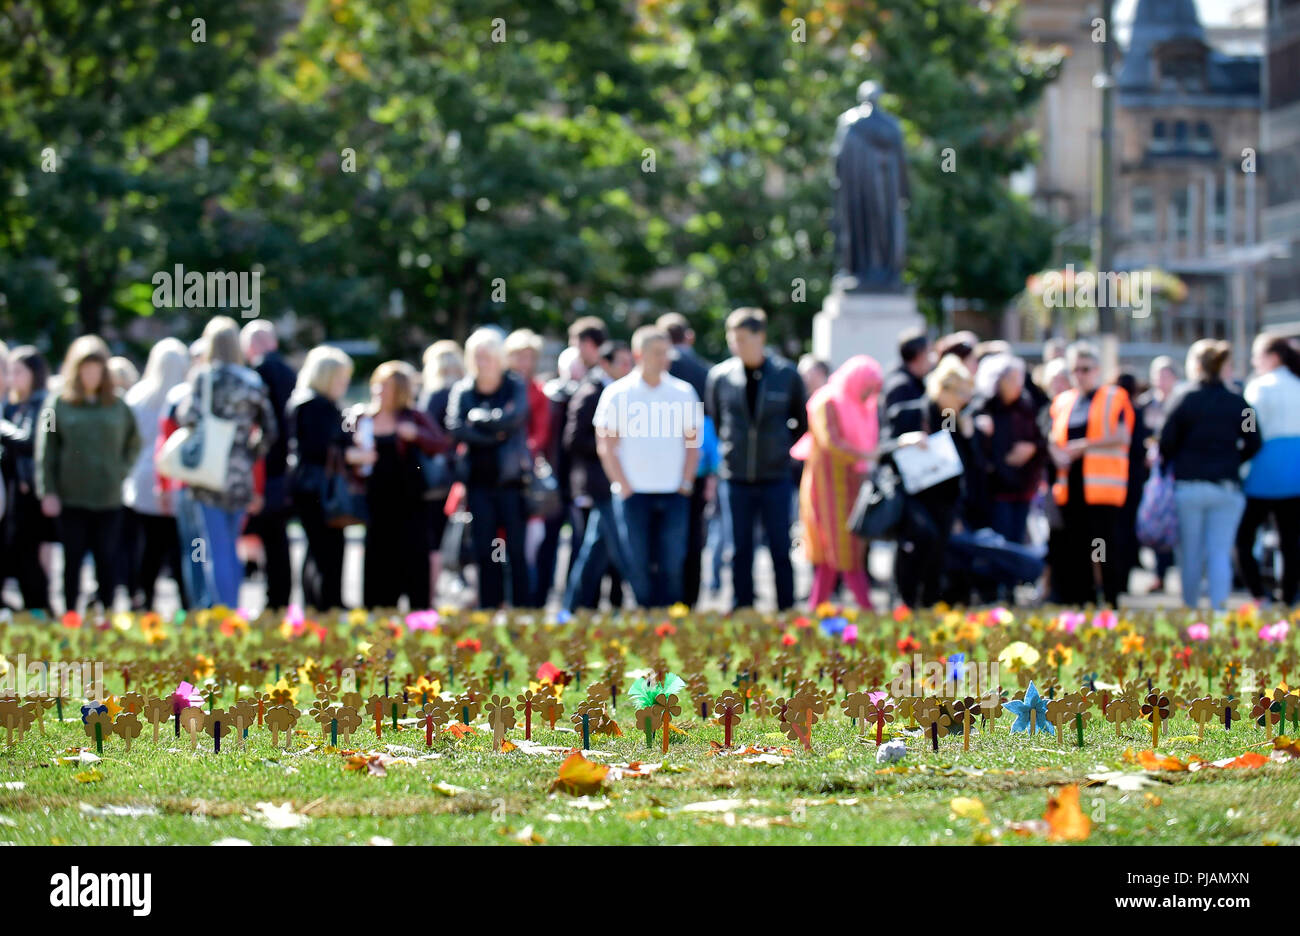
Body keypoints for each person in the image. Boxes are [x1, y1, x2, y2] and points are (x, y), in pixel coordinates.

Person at [162, 317, 276, 609]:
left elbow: (186, 417)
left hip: (208, 473)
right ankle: (233, 609)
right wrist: (248, 453)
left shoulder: (204, 378)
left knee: (214, 547)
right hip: (240, 474)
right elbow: (270, 429)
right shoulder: (252, 381)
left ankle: (221, 613)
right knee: (231, 545)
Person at [705, 308, 806, 611]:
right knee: (739, 549)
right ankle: (741, 607)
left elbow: (800, 421)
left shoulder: (786, 375)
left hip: (775, 476)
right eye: (731, 339)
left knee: (779, 546)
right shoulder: (720, 376)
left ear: (760, 337)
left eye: (742, 338)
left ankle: (786, 608)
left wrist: (779, 449)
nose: (736, 345)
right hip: (736, 477)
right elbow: (717, 418)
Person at [36, 335, 141, 615]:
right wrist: (47, 490)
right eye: (85, 369)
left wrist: (121, 471)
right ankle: (70, 613)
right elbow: (45, 450)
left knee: (107, 558)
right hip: (71, 496)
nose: (91, 375)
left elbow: (135, 443)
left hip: (108, 496)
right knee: (72, 560)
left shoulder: (118, 405)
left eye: (96, 369)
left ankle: (106, 612)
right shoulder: (57, 403)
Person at [596, 326, 700, 607]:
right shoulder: (617, 393)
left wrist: (686, 483)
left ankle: (670, 621)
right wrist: (623, 485)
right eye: (657, 353)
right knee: (636, 563)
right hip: (634, 494)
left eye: (666, 352)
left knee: (672, 562)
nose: (664, 358)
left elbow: (693, 444)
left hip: (674, 492)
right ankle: (645, 620)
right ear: (639, 354)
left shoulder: (683, 392)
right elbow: (606, 445)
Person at [1160, 340, 1260, 610]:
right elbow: (1254, 440)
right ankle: (1219, 613)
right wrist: (1233, 460)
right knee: (1219, 553)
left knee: (1190, 554)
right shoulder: (1239, 402)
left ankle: (1190, 612)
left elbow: (1165, 442)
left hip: (1189, 487)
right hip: (1226, 487)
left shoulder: (1183, 400)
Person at [347, 360, 447, 610]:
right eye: (378, 385)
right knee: (379, 560)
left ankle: (419, 616)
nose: (380, 391)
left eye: (387, 387)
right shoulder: (361, 418)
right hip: (376, 503)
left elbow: (441, 444)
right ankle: (378, 614)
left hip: (410, 503)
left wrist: (416, 435)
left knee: (414, 558)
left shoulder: (414, 417)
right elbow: (339, 451)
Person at [446, 328, 533, 608]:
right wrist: (494, 433)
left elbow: (514, 419)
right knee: (485, 548)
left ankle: (521, 607)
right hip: (478, 481)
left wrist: (480, 421)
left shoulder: (513, 384)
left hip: (510, 480)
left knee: (515, 549)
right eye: (477, 356)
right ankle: (489, 604)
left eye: (488, 355)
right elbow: (456, 427)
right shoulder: (463, 389)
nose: (483, 361)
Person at [880, 356, 977, 608]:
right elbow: (882, 452)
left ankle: (929, 608)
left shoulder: (957, 419)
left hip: (944, 501)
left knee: (938, 555)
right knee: (920, 540)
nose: (965, 400)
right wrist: (904, 441)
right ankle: (906, 603)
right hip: (913, 498)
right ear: (943, 389)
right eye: (961, 393)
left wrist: (970, 437)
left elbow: (968, 466)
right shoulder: (910, 413)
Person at [1046, 342, 1133, 607]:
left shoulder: (1113, 396)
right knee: (1075, 545)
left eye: (1085, 369)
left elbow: (1122, 435)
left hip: (1101, 487)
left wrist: (1084, 446)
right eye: (1076, 370)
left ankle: (1109, 598)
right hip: (1071, 486)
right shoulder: (1064, 401)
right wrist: (1057, 452)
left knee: (1102, 546)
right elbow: (1052, 435)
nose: (1080, 375)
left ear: (1096, 370)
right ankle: (1080, 601)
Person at [791, 354, 882, 609]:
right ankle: (868, 610)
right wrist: (866, 455)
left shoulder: (856, 404)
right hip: (828, 487)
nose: (868, 396)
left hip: (851, 485)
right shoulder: (826, 401)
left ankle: (814, 611)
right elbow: (832, 444)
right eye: (866, 389)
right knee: (842, 551)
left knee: (837, 554)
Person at [122, 338, 191, 611]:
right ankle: (186, 603)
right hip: (176, 479)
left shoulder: (138, 395)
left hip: (142, 478)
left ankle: (143, 599)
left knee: (148, 547)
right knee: (180, 548)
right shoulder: (186, 396)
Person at [562, 340, 631, 610]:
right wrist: (611, 444)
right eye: (622, 363)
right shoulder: (591, 393)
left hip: (614, 484)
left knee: (598, 550)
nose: (628, 368)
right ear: (605, 364)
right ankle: (576, 606)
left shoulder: (622, 391)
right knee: (612, 551)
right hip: (599, 485)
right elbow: (574, 440)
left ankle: (575, 607)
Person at [286, 345, 354, 610]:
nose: (344, 384)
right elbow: (319, 447)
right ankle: (327, 604)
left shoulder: (304, 401)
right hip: (318, 486)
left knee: (315, 548)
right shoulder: (317, 405)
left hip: (306, 484)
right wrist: (352, 454)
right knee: (329, 547)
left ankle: (315, 604)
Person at [1237, 333, 1300, 605]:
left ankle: (1259, 595)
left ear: (1272, 357)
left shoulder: (1258, 387)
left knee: (1244, 538)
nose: (1253, 361)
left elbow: (1248, 428)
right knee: (1291, 541)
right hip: (1295, 473)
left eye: (1257, 355)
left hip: (1262, 472)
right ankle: (1289, 598)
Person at [658, 312, 714, 607]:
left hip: (661, 467)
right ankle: (689, 600)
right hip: (697, 466)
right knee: (693, 535)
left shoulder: (658, 371)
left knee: (660, 534)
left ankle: (663, 599)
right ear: (688, 337)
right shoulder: (705, 372)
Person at [241, 320, 296, 610]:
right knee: (277, 537)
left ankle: (275, 599)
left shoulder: (258, 373)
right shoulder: (289, 371)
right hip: (285, 466)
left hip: (266, 468)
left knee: (269, 536)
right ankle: (279, 598)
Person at [0, 346, 53, 612]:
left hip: (33, 493)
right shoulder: (16, 406)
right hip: (16, 492)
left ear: (34, 373)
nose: (12, 378)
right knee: (19, 552)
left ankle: (41, 609)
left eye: (18, 371)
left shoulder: (46, 404)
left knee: (28, 554)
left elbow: (33, 442)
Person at [975, 353, 1044, 544]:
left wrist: (1032, 448)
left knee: (1017, 541)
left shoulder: (1026, 405)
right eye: (1012, 379)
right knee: (1000, 544)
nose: (1017, 384)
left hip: (1023, 487)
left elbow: (1042, 437)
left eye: (1019, 377)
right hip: (996, 490)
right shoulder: (984, 408)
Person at [535, 345, 584, 606]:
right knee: (548, 543)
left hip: (576, 484)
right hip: (553, 482)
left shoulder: (586, 395)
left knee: (578, 544)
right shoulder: (549, 395)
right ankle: (541, 598)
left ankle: (571, 602)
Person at [419, 340, 465, 603]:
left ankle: (431, 592)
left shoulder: (435, 395)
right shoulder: (464, 391)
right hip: (459, 474)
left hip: (437, 476)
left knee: (434, 535)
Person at [1137, 356, 1180, 592]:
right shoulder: (1145, 404)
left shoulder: (1181, 402)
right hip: (1153, 472)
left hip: (1176, 470)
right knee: (1156, 520)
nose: (1161, 380)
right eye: (1157, 374)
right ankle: (1160, 573)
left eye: (1165, 374)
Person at [879, 328, 932, 433]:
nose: (931, 359)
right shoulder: (899, 385)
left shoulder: (917, 380)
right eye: (929, 352)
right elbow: (895, 428)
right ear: (919, 355)